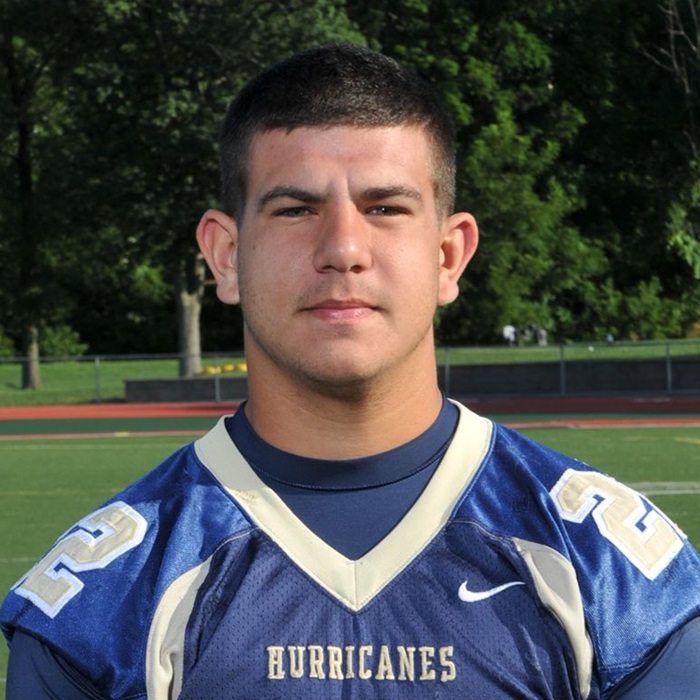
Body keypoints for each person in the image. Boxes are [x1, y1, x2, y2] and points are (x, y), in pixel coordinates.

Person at [2, 43, 699, 700]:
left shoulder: (610, 575)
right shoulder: (106, 601)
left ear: (448, 256)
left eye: (385, 208)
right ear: (226, 257)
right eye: (295, 209)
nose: (342, 247)